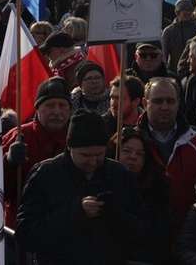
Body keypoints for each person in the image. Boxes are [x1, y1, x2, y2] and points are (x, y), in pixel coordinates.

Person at [15, 109, 150, 265]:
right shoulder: (45, 175)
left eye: (99, 154)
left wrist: (116, 215)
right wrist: (76, 211)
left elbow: (143, 233)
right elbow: (26, 235)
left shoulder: (121, 175)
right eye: (86, 155)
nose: (93, 162)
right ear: (70, 147)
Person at [136, 77, 196, 228]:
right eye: (157, 101)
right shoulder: (128, 142)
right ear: (145, 103)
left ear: (178, 103)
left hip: (192, 230)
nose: (164, 107)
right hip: (143, 232)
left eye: (170, 101)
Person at [2, 77, 72, 229]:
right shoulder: (17, 136)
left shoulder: (79, 137)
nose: (57, 112)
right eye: (50, 105)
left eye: (62, 105)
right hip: (21, 230)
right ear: (37, 108)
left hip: (67, 229)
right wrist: (8, 163)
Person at [107, 126, 172, 264]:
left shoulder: (157, 188)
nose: (133, 157)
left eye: (140, 154)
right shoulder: (100, 181)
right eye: (126, 151)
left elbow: (159, 235)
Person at [162, 0, 196, 73]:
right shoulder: (169, 31)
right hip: (174, 71)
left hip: (194, 71)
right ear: (177, 12)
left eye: (189, 9)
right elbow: (164, 53)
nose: (187, 12)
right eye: (184, 10)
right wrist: (165, 70)